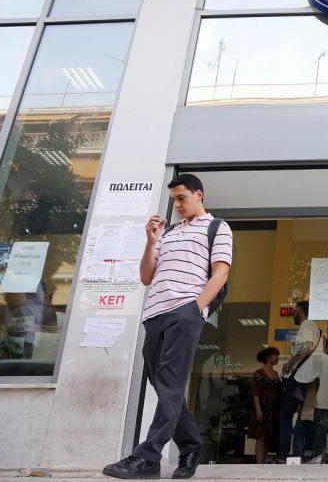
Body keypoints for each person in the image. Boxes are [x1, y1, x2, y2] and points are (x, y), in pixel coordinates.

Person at [103, 174, 232, 479]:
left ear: (199, 194)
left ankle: (147, 458)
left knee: (170, 384)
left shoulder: (217, 227)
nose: (177, 205)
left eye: (181, 198)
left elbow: (220, 273)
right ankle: (191, 446)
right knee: (165, 386)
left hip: (184, 312)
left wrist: (195, 308)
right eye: (174, 200)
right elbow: (146, 277)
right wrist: (151, 242)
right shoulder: (169, 232)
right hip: (154, 315)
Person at [278, 300, 322, 463]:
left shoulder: (307, 324)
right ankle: (298, 456)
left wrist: (290, 362)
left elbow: (306, 347)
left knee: (285, 416)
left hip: (299, 379)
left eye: (295, 310)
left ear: (301, 310)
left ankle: (283, 456)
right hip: (310, 380)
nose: (293, 314)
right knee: (302, 420)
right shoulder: (315, 328)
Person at [248, 346, 282, 464]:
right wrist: (258, 410)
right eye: (275, 355)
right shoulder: (259, 373)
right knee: (261, 436)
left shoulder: (276, 374)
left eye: (278, 355)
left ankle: (263, 462)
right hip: (263, 407)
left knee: (268, 437)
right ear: (267, 357)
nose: (277, 357)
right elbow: (256, 393)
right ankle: (259, 463)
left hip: (274, 409)